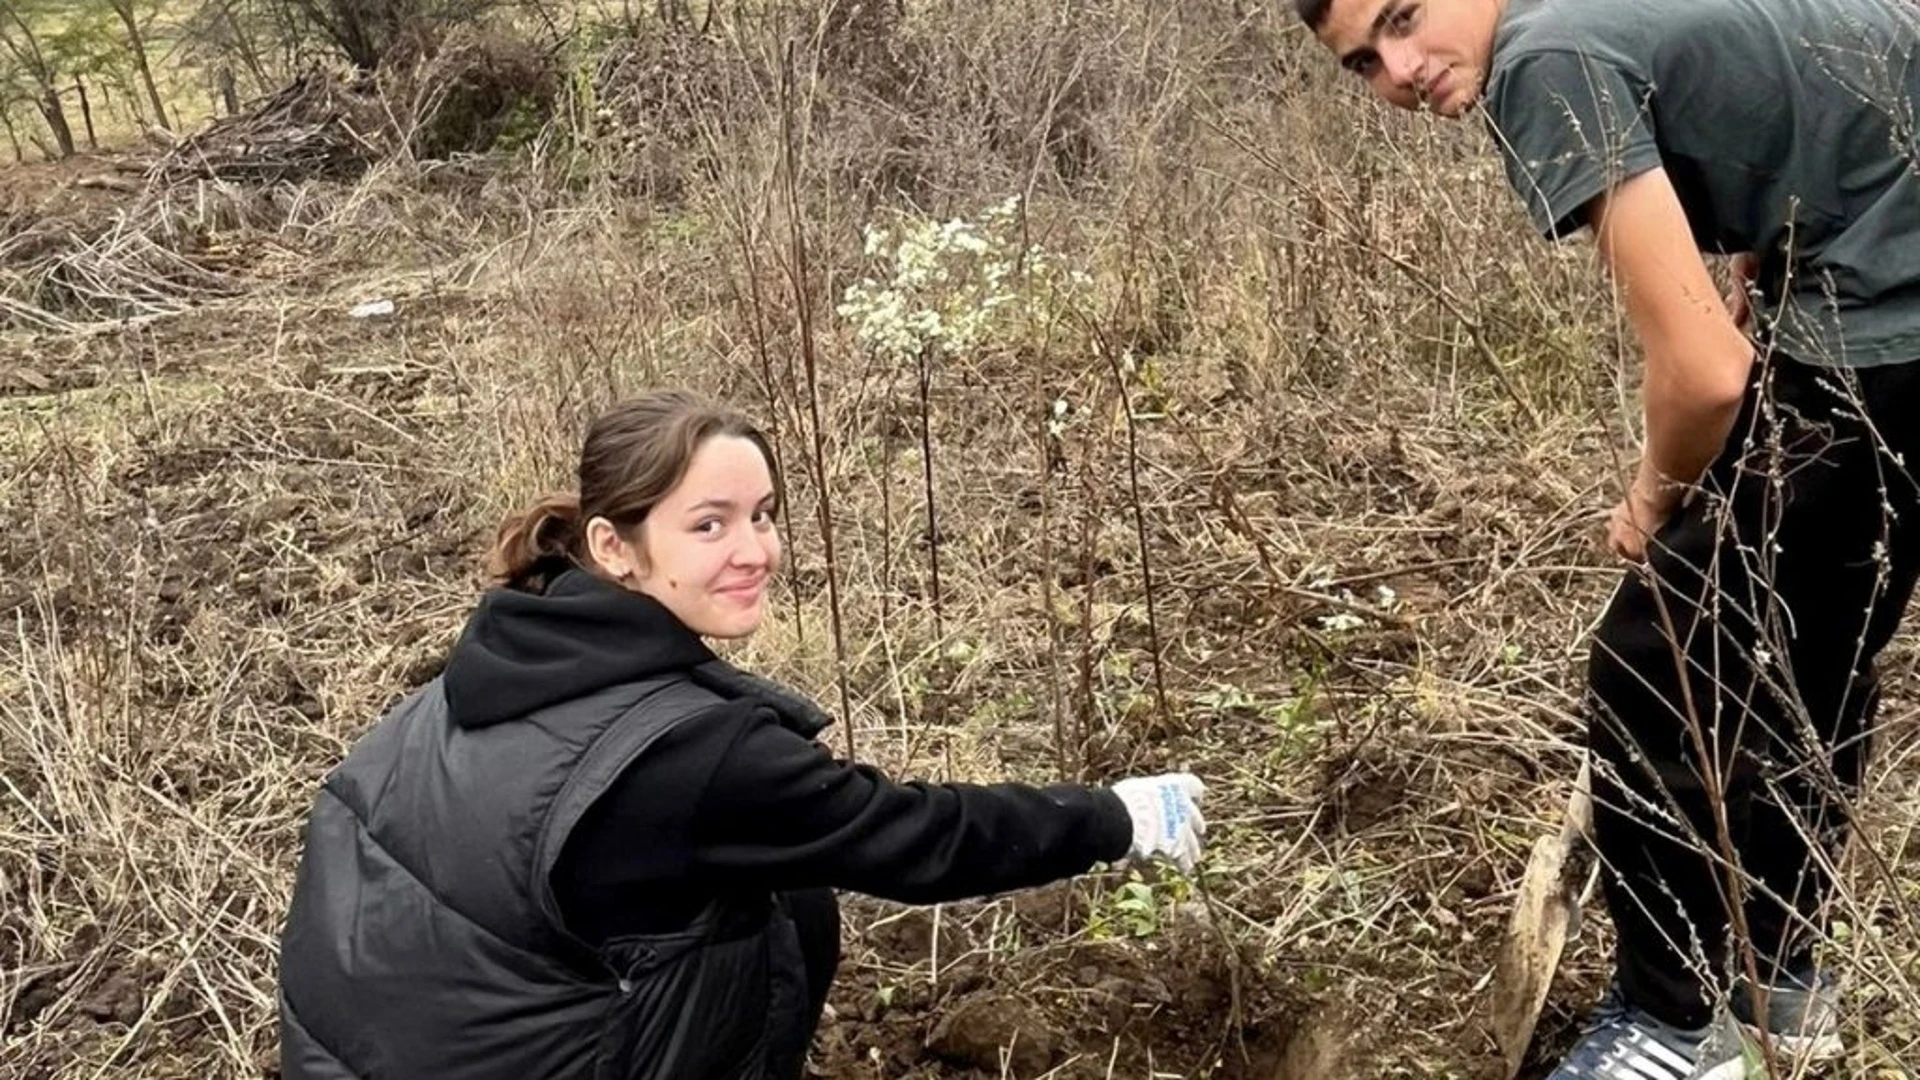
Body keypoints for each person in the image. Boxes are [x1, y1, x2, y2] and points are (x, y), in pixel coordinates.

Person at [1295, 0, 1920, 1077]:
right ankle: (1783, 985)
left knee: (1654, 665)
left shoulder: (1547, 56)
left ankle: (1671, 1026)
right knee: (1811, 642)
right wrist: (1781, 241)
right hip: (1878, 283)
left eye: (1403, 17)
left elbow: (1707, 373)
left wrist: (1650, 495)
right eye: (1362, 63)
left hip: (1885, 327)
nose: (1400, 70)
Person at [276, 389, 1208, 1080]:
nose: (755, 549)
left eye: (763, 516)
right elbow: (916, 837)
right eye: (709, 523)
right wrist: (1114, 818)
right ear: (615, 546)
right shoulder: (694, 755)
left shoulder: (504, 657)